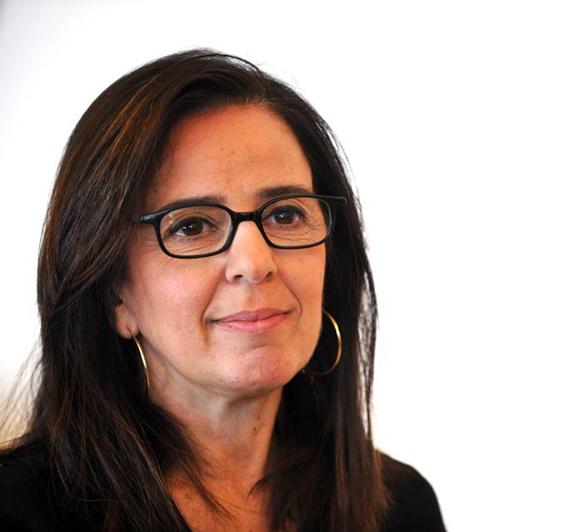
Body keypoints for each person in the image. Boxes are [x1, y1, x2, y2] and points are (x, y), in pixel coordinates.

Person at [0, 49, 446, 532]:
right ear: (115, 297)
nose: (255, 263)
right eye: (191, 226)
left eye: (285, 214)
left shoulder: (402, 508)